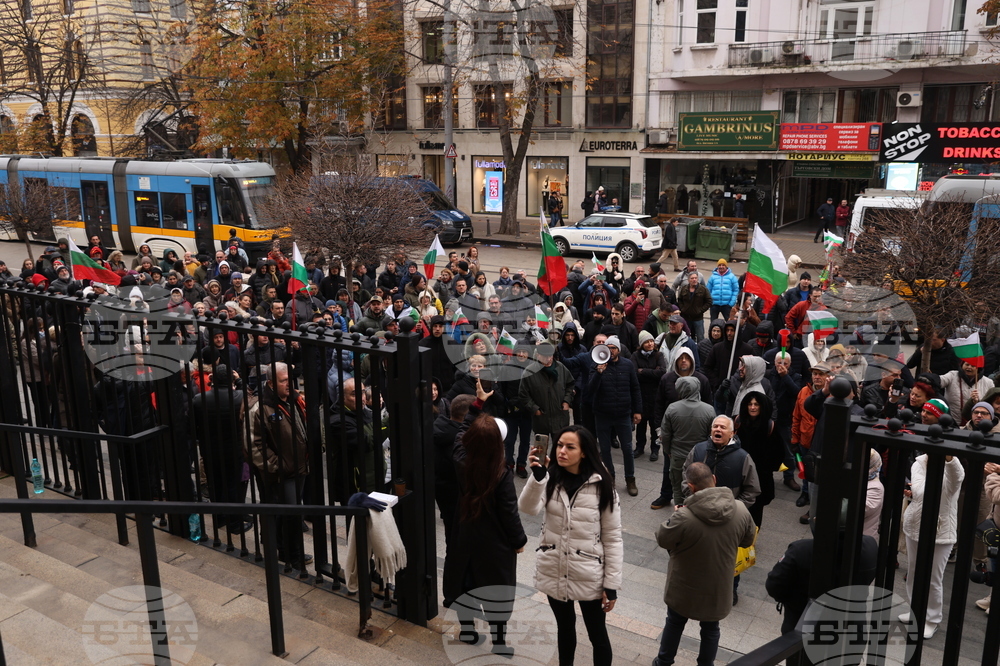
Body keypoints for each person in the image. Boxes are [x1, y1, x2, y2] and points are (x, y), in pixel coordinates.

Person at [519, 425, 623, 666]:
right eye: (559, 446)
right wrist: (537, 477)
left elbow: (613, 538)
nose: (561, 451)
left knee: (597, 634)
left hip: (588, 572)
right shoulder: (550, 477)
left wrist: (612, 584)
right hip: (555, 567)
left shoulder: (602, 485)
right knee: (565, 630)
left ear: (584, 452)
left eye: (570, 447)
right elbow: (528, 509)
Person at [443, 380, 526, 657]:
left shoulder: (460, 457)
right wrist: (518, 541)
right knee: (496, 591)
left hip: (464, 532)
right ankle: (499, 642)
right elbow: (509, 513)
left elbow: (462, 431)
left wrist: (477, 404)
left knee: (464, 581)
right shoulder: (501, 474)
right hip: (494, 542)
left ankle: (467, 630)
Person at [653, 462, 756, 666]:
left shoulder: (684, 516)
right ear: (715, 480)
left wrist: (676, 515)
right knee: (711, 630)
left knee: (674, 623)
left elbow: (663, 539)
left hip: (684, 585)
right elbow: (747, 540)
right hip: (718, 586)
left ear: (690, 487)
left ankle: (664, 662)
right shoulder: (741, 510)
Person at [248, 362, 311, 568]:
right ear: (271, 384)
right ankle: (292, 555)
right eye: (284, 381)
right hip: (283, 472)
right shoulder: (261, 407)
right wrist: (278, 465)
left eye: (289, 379)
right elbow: (254, 446)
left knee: (291, 513)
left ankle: (288, 551)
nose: (289, 384)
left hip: (300, 467)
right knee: (291, 513)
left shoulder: (295, 400)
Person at [901, 451, 964, 639]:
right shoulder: (919, 463)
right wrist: (913, 494)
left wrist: (949, 458)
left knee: (933, 578)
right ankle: (916, 609)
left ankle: (932, 619)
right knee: (913, 571)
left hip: (941, 531)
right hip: (915, 526)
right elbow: (921, 493)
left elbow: (954, 481)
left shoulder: (953, 466)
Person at [192, 365, 251, 535]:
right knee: (234, 486)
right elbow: (251, 397)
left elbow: (192, 427)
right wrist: (239, 379)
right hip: (235, 450)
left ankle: (219, 518)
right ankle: (234, 523)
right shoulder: (240, 397)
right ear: (231, 380)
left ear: (212, 380)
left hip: (210, 450)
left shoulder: (198, 399)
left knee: (215, 484)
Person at [652, 376, 717, 510]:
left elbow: (666, 434)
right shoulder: (709, 410)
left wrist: (668, 451)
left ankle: (680, 516)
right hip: (700, 457)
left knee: (677, 488)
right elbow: (711, 436)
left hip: (677, 455)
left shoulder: (672, 408)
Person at [589, 335, 642, 496]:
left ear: (619, 349)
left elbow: (635, 388)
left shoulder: (627, 365)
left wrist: (637, 411)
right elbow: (590, 391)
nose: (611, 351)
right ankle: (609, 477)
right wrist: (599, 373)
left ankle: (630, 479)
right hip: (602, 414)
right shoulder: (597, 365)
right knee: (605, 450)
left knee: (627, 448)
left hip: (623, 414)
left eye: (613, 348)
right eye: (608, 347)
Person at [634, 331, 667, 459]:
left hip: (655, 396)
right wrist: (653, 372)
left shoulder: (659, 355)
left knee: (654, 425)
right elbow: (634, 373)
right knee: (641, 424)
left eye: (651, 341)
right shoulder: (635, 356)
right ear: (641, 344)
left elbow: (662, 372)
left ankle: (655, 449)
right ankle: (639, 447)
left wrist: (643, 371)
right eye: (647, 342)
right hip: (641, 395)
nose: (650, 344)